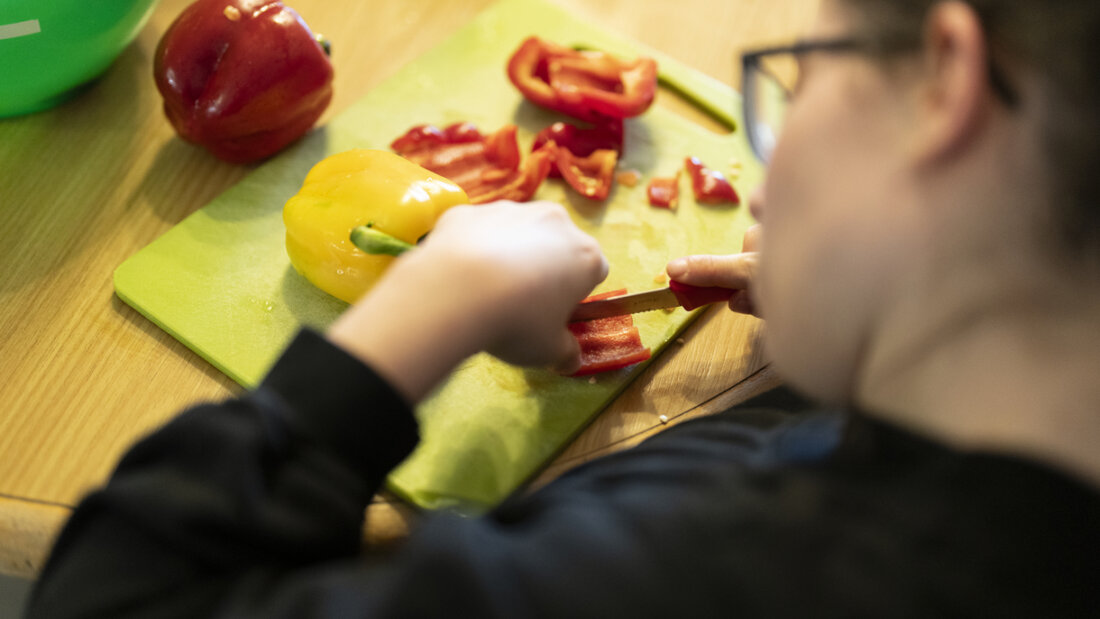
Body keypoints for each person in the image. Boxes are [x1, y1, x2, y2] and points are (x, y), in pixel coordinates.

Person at [26, 0, 1099, 616]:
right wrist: (876, 323)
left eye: (803, 74)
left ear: (940, 88)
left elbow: (115, 594)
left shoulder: (648, 586)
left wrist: (415, 318)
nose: (768, 179)